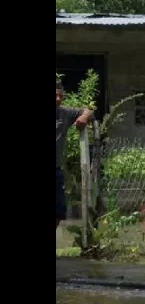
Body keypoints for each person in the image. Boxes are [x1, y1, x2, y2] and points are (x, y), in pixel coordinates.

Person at [56, 81, 95, 230]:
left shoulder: (65, 113)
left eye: (61, 96)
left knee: (59, 212)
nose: (58, 99)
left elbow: (89, 111)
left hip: (56, 170)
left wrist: (84, 117)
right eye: (55, 96)